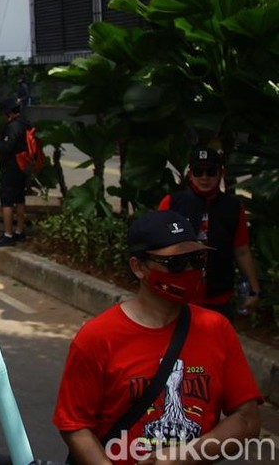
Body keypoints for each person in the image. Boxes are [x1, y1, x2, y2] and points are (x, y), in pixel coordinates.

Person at [53, 210, 262, 464]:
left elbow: (247, 419)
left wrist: (185, 456)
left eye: (196, 259)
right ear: (138, 267)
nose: (188, 270)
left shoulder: (216, 329)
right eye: (174, 263)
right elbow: (75, 425)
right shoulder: (98, 337)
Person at [158, 147, 261, 320]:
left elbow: (242, 250)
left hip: (219, 296)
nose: (204, 178)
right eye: (198, 172)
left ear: (221, 174)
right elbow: (157, 247)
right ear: (190, 174)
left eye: (211, 172)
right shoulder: (172, 203)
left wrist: (254, 290)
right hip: (179, 294)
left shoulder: (233, 207)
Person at [0, 97, 28, 247]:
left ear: (8, 113)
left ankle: (8, 234)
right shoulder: (25, 123)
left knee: (7, 201)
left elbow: (7, 147)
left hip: (11, 168)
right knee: (20, 199)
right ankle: (20, 231)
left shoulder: (13, 127)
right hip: (23, 167)